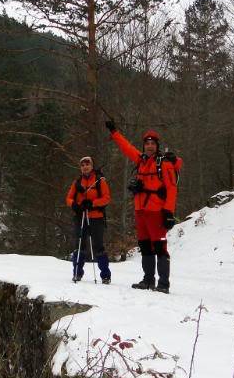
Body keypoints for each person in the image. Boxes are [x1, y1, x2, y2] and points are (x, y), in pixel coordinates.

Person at [105, 121, 178, 293]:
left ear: (157, 145)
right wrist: (114, 132)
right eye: (147, 143)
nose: (150, 146)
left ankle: (163, 284)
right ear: (144, 145)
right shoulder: (140, 160)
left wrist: (169, 212)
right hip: (140, 211)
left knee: (160, 247)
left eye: (153, 143)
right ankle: (148, 280)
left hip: (157, 212)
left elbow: (172, 189)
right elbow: (127, 148)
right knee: (145, 246)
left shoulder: (164, 164)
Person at [65, 156, 112, 284]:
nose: (85, 167)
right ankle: (77, 273)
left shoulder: (99, 180)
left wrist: (92, 203)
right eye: (83, 165)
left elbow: (107, 198)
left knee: (98, 246)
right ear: (80, 168)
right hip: (80, 217)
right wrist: (75, 205)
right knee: (79, 244)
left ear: (92, 166)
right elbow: (68, 198)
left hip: (96, 217)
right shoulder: (77, 182)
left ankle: (105, 275)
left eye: (87, 164)